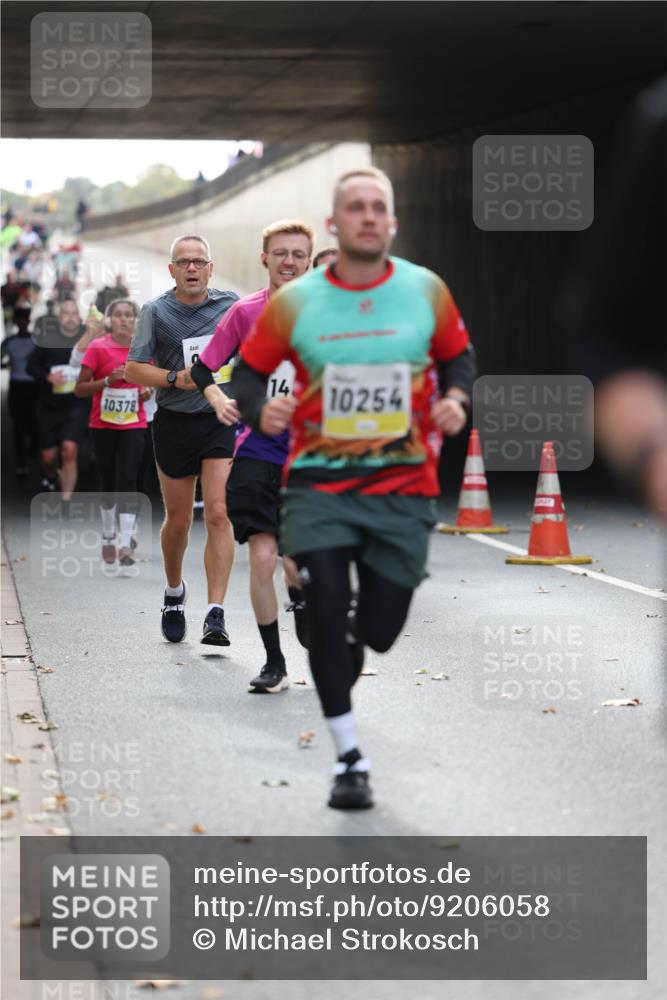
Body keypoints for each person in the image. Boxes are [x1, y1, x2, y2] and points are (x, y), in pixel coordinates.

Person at [230, 166, 476, 810]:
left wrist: (455, 395)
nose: (368, 217)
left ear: (391, 222)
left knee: (380, 628)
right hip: (319, 485)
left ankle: (351, 634)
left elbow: (459, 356)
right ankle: (349, 759)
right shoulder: (296, 302)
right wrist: (261, 411)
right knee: (328, 604)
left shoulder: (426, 290)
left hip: (402, 488)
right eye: (355, 208)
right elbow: (248, 375)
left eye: (379, 207)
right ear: (336, 225)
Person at [192, 219, 314, 693]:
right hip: (256, 450)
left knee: (294, 562)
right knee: (262, 558)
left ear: (309, 260)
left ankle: (302, 600)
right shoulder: (245, 313)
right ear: (264, 259)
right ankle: (274, 663)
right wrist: (220, 400)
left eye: (298, 254)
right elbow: (204, 367)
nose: (289, 261)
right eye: (280, 253)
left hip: (310, 455)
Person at [125, 236, 239, 645]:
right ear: (171, 270)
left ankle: (215, 613)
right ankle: (174, 593)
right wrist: (176, 378)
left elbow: (256, 353)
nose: (192, 268)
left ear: (211, 268)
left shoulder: (231, 307)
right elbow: (134, 370)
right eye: (183, 262)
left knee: (219, 513)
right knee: (178, 521)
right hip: (173, 421)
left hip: (219, 420)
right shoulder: (155, 312)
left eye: (199, 262)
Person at [75, 299, 150, 565]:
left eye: (128, 315)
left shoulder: (142, 348)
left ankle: (125, 544)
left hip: (134, 423)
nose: (123, 319)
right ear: (110, 320)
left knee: (128, 478)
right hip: (103, 424)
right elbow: (79, 388)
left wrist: (147, 390)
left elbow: (153, 383)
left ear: (135, 320)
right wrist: (108, 380)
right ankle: (108, 536)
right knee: (108, 481)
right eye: (117, 315)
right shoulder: (98, 347)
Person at [26, 298, 90, 502]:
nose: (70, 317)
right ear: (58, 318)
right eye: (65, 313)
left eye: (73, 313)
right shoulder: (47, 339)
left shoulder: (87, 339)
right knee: (48, 458)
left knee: (69, 450)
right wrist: (47, 377)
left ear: (79, 318)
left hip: (76, 404)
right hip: (49, 405)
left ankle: (66, 500)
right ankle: (52, 476)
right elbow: (31, 366)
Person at [1, 306, 39, 477]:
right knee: (18, 425)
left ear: (29, 321)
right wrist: (5, 364)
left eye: (26, 320)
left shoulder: (37, 341)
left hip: (33, 387)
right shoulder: (8, 342)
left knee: (33, 423)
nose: (23, 324)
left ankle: (33, 445)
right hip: (17, 386)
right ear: (16, 322)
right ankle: (21, 464)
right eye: (20, 321)